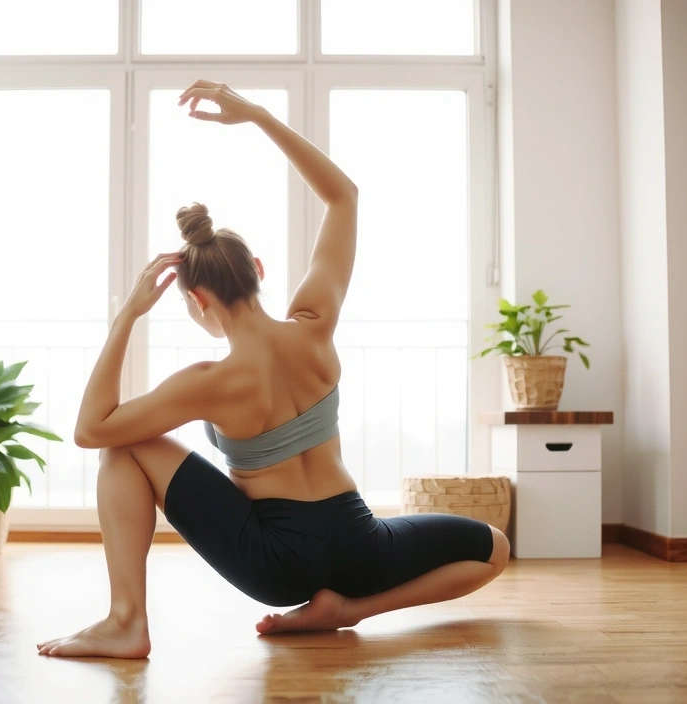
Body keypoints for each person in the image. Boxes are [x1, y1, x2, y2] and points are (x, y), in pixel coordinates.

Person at [37, 80, 509, 659]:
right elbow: (344, 197)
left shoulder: (208, 382)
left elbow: (92, 428)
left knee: (123, 446)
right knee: (493, 546)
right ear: (258, 268)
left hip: (276, 563)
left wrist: (127, 316)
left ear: (198, 300)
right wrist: (258, 116)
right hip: (361, 544)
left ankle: (127, 621)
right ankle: (353, 608)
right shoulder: (315, 325)